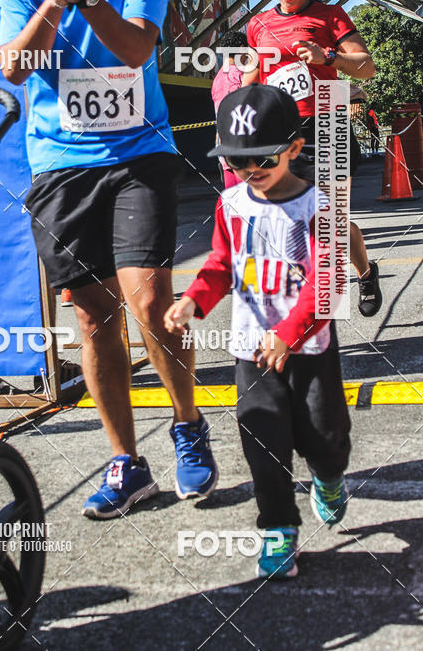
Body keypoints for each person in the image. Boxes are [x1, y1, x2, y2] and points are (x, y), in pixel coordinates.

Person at [0, 0, 217, 518]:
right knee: (94, 322)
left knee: (151, 302)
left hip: (137, 154)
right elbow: (12, 67)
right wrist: (54, 0)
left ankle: (187, 425)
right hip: (60, 163)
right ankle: (127, 462)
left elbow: (136, 51)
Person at [164, 84, 351, 579]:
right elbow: (222, 264)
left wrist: (289, 331)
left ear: (293, 147)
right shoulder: (231, 203)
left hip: (308, 348)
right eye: (238, 160)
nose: (252, 171)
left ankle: (329, 477)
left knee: (326, 437)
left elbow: (327, 281)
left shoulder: (320, 206)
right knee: (262, 442)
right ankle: (277, 529)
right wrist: (192, 300)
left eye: (263, 158)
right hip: (251, 350)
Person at [242, 0, 382, 317]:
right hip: (281, 130)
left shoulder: (331, 15)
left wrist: (329, 56)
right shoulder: (259, 25)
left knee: (332, 221)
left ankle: (365, 274)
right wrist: (239, 119)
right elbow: (253, 77)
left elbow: (366, 67)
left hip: (329, 118)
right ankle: (311, 308)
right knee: (289, 219)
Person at [211, 30, 250, 188]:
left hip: (223, 148)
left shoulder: (217, 78)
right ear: (242, 49)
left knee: (233, 205)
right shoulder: (241, 75)